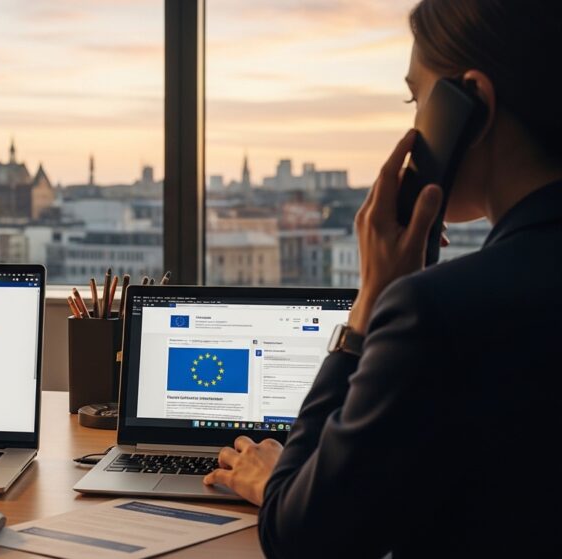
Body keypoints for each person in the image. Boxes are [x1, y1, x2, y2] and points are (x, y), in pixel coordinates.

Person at [203, 0, 562, 556]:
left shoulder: (438, 313)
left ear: (473, 108)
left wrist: (371, 303)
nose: (413, 125)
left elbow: (300, 539)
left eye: (416, 100)